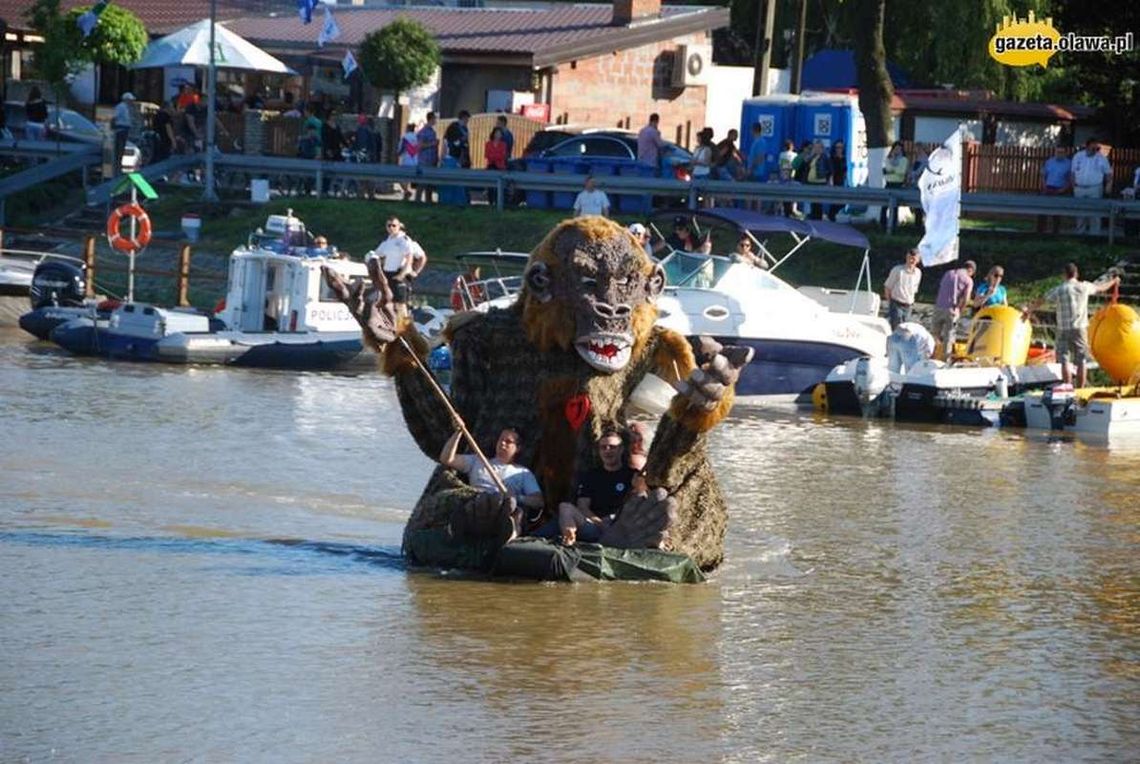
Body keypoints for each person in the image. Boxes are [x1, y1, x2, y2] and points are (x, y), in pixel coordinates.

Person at [439, 426, 544, 542]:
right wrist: (458, 432)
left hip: (504, 508)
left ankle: (509, 534)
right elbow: (446, 458)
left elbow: (538, 501)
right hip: (477, 503)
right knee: (475, 501)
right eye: (501, 440)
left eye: (508, 442)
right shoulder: (477, 461)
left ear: (517, 448)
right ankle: (460, 526)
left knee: (512, 505)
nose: (502, 444)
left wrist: (517, 497)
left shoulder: (523, 473)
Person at [1029, 263, 1120, 387]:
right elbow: (1101, 288)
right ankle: (1080, 389)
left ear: (1064, 275)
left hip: (1063, 329)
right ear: (1076, 274)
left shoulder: (1059, 289)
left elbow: (1042, 300)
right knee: (1081, 360)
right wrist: (1114, 281)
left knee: (1064, 360)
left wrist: (1029, 310)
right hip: (1080, 328)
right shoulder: (1084, 287)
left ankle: (1067, 387)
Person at [557, 428, 640, 545]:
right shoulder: (591, 476)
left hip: (621, 528)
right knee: (565, 507)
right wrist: (600, 523)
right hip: (595, 526)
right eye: (603, 447)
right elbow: (583, 506)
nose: (607, 450)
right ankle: (569, 540)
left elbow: (638, 503)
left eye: (612, 447)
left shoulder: (632, 475)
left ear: (621, 450)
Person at [366, 217, 418, 318]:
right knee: (387, 302)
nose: (391, 228)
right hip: (387, 274)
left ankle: (404, 329)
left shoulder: (403, 240)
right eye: (389, 225)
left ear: (399, 226)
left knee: (400, 304)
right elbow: (377, 254)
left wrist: (402, 274)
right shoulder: (387, 241)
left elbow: (409, 257)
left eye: (394, 225)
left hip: (398, 273)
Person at [930, 260, 976, 360]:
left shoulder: (948, 273)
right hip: (952, 310)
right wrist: (960, 310)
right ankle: (945, 361)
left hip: (938, 307)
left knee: (934, 335)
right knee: (949, 338)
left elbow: (941, 287)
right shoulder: (968, 280)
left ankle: (930, 356)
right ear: (971, 270)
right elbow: (966, 298)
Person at [1070, 138, 1112, 235]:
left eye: (1096, 148)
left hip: (1095, 188)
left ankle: (1094, 235)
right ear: (1087, 146)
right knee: (1080, 213)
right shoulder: (1078, 156)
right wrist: (1073, 186)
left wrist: (1108, 185)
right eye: (1092, 147)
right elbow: (1072, 172)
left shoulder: (1102, 158)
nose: (1094, 149)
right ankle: (1080, 233)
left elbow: (1108, 174)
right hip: (1079, 188)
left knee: (1095, 213)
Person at [883, 248, 922, 329]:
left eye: (913, 259)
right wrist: (890, 303)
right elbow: (887, 287)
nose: (911, 260)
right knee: (897, 328)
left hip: (908, 306)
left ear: (918, 260)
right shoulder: (897, 270)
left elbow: (914, 289)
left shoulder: (918, 273)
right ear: (906, 257)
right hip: (896, 304)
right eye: (909, 258)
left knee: (906, 329)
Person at [1038, 145, 1071, 234]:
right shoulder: (1049, 162)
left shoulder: (1069, 164)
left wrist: (1064, 189)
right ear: (1055, 152)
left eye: (1061, 152)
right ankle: (1040, 231)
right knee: (1042, 210)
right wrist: (1044, 186)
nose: (1059, 154)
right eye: (1058, 152)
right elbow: (1043, 175)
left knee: (1056, 212)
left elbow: (1070, 179)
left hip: (1060, 189)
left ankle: (1055, 232)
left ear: (1065, 153)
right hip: (1048, 188)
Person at [880, 141, 909, 229]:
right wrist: (894, 169)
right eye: (896, 148)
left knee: (895, 206)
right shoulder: (888, 159)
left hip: (898, 184)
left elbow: (902, 172)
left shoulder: (904, 160)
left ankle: (893, 225)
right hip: (889, 184)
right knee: (884, 206)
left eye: (899, 149)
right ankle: (883, 225)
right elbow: (886, 171)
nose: (897, 150)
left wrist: (892, 171)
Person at [804, 139, 831, 220]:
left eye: (818, 147)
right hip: (811, 182)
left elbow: (829, 169)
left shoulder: (825, 156)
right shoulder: (813, 156)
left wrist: (829, 180)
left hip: (820, 182)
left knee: (818, 202)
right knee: (812, 201)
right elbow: (805, 161)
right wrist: (812, 154)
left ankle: (818, 217)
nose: (816, 149)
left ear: (822, 148)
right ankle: (813, 216)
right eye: (815, 147)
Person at [415, 112, 439, 203]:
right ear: (431, 119)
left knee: (430, 182)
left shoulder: (432, 131)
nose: (436, 121)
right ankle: (417, 200)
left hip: (432, 160)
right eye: (435, 119)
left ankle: (428, 200)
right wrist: (432, 144)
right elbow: (419, 146)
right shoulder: (423, 132)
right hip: (424, 160)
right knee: (422, 182)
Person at [484, 126, 508, 206]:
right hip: (491, 165)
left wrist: (494, 156)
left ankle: (498, 202)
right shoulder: (488, 144)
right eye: (497, 133)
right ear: (493, 134)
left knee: (499, 186)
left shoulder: (503, 145)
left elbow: (503, 156)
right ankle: (490, 201)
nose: (498, 135)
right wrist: (495, 156)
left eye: (499, 134)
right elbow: (487, 155)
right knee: (490, 185)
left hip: (499, 166)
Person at [112, 92, 135, 173]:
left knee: (121, 149)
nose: (131, 102)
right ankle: (116, 167)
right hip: (120, 130)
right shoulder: (121, 107)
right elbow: (114, 117)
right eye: (130, 100)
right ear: (126, 99)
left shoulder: (126, 108)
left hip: (124, 130)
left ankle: (118, 166)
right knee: (119, 149)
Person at [907, 143, 928, 228]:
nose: (916, 151)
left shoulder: (925, 160)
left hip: (920, 186)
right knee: (917, 207)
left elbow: (918, 172)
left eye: (918, 149)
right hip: (915, 184)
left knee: (920, 206)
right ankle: (917, 223)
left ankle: (919, 224)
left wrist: (911, 174)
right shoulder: (918, 159)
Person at [397, 121, 419, 200]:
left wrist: (398, 153)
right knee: (407, 179)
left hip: (406, 160)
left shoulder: (405, 137)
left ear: (408, 128)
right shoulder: (417, 137)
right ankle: (406, 195)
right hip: (415, 161)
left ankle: (406, 192)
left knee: (400, 178)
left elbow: (401, 149)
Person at [827, 139, 847, 221]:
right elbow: (831, 171)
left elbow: (845, 170)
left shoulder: (844, 158)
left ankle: (832, 215)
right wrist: (830, 181)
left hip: (841, 181)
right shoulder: (832, 158)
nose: (839, 149)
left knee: (842, 202)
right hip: (834, 181)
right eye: (837, 147)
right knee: (836, 201)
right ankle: (831, 216)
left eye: (841, 147)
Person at [151, 98, 176, 165]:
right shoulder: (166, 116)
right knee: (163, 159)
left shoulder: (157, 115)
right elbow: (168, 129)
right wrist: (173, 141)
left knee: (156, 158)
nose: (173, 109)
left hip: (157, 139)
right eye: (172, 107)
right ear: (167, 107)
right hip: (164, 141)